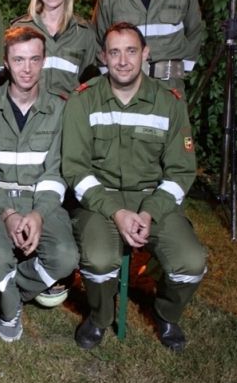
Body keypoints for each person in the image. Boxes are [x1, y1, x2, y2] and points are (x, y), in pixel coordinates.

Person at [62, 22, 206, 352]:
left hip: (153, 200)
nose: (123, 61)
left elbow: (181, 171)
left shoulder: (169, 102)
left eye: (131, 51)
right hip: (101, 200)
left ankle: (166, 313)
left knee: (191, 262)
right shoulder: (83, 100)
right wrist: (116, 212)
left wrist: (150, 212)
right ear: (103, 57)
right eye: (114, 52)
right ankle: (100, 316)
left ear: (145, 54)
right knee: (99, 261)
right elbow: (75, 169)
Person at [0, 26, 79, 341]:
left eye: (34, 59)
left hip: (41, 200)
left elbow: (55, 172)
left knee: (65, 258)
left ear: (44, 61)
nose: (27, 68)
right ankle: (9, 306)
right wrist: (8, 214)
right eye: (18, 60)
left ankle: (0, 285)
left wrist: (38, 215)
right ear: (6, 62)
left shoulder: (60, 108)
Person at [12, 0, 99, 97]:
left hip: (69, 109)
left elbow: (91, 86)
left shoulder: (84, 33)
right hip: (29, 109)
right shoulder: (19, 30)